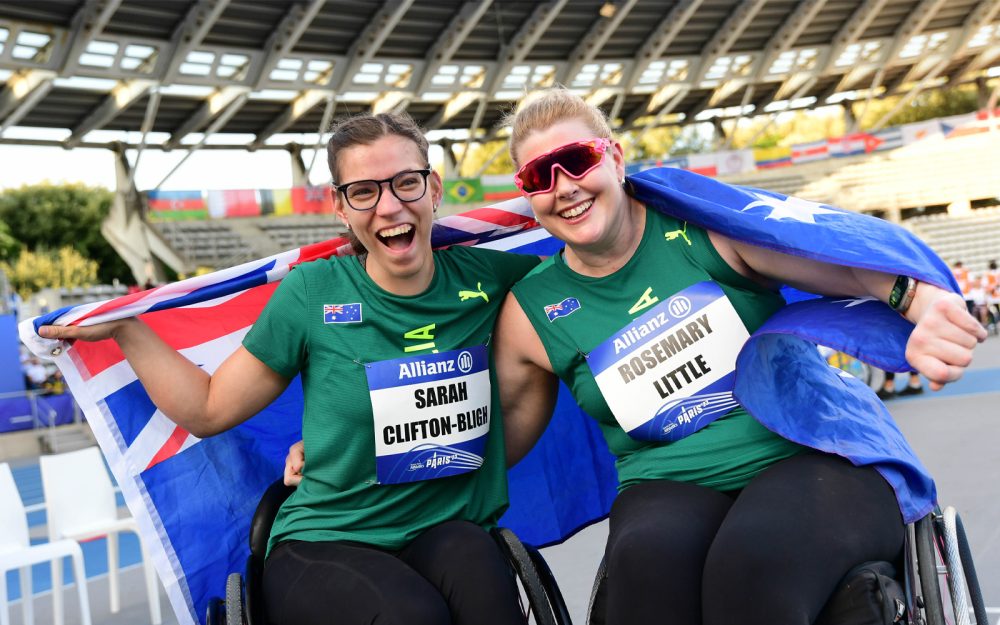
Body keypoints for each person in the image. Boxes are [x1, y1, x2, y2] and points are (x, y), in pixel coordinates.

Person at [491, 88, 986, 625]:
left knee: (750, 569)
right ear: (526, 193)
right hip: (666, 483)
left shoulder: (705, 227)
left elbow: (839, 259)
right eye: (539, 176)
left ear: (613, 157)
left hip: (808, 455)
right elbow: (496, 438)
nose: (564, 186)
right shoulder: (533, 310)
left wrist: (920, 301)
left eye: (577, 160)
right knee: (645, 572)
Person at [38, 112, 540, 625]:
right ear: (340, 207)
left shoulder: (495, 278)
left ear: (433, 188)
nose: (389, 205)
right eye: (364, 191)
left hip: (444, 527)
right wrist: (129, 331)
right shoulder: (312, 292)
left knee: (485, 583)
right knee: (413, 617)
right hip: (327, 540)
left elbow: (580, 281)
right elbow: (208, 409)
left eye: (406, 182)